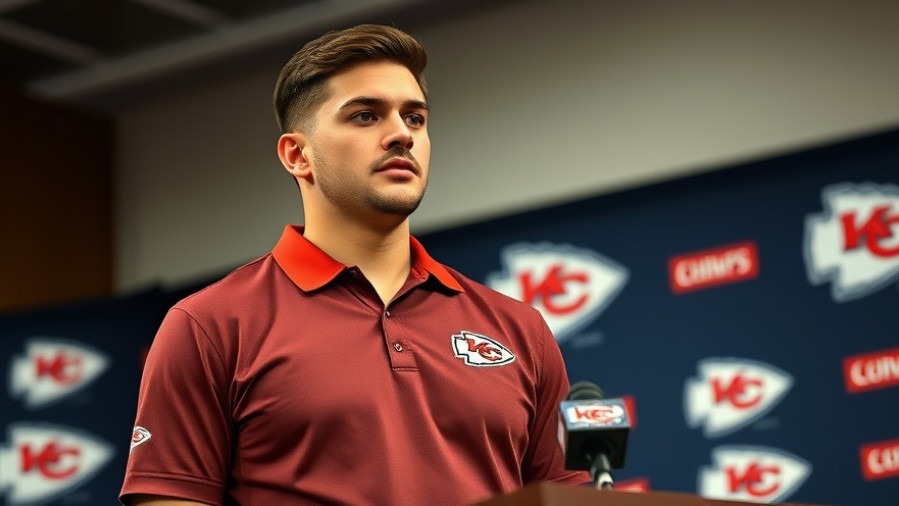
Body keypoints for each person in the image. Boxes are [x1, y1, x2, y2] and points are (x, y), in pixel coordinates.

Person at [120, 23, 589, 506]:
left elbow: (566, 498)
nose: (401, 135)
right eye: (366, 116)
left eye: (415, 118)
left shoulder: (521, 330)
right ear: (298, 155)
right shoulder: (210, 326)